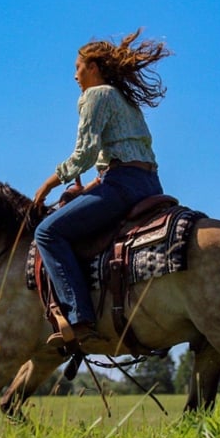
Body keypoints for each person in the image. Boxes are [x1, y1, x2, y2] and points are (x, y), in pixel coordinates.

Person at [33, 28, 171, 348]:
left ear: (93, 68)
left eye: (78, 68)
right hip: (150, 184)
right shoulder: (126, 100)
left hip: (124, 185)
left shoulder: (96, 95)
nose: (75, 75)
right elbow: (123, 155)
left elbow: (84, 155)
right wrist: (96, 183)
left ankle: (80, 318)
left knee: (47, 233)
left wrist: (48, 184)